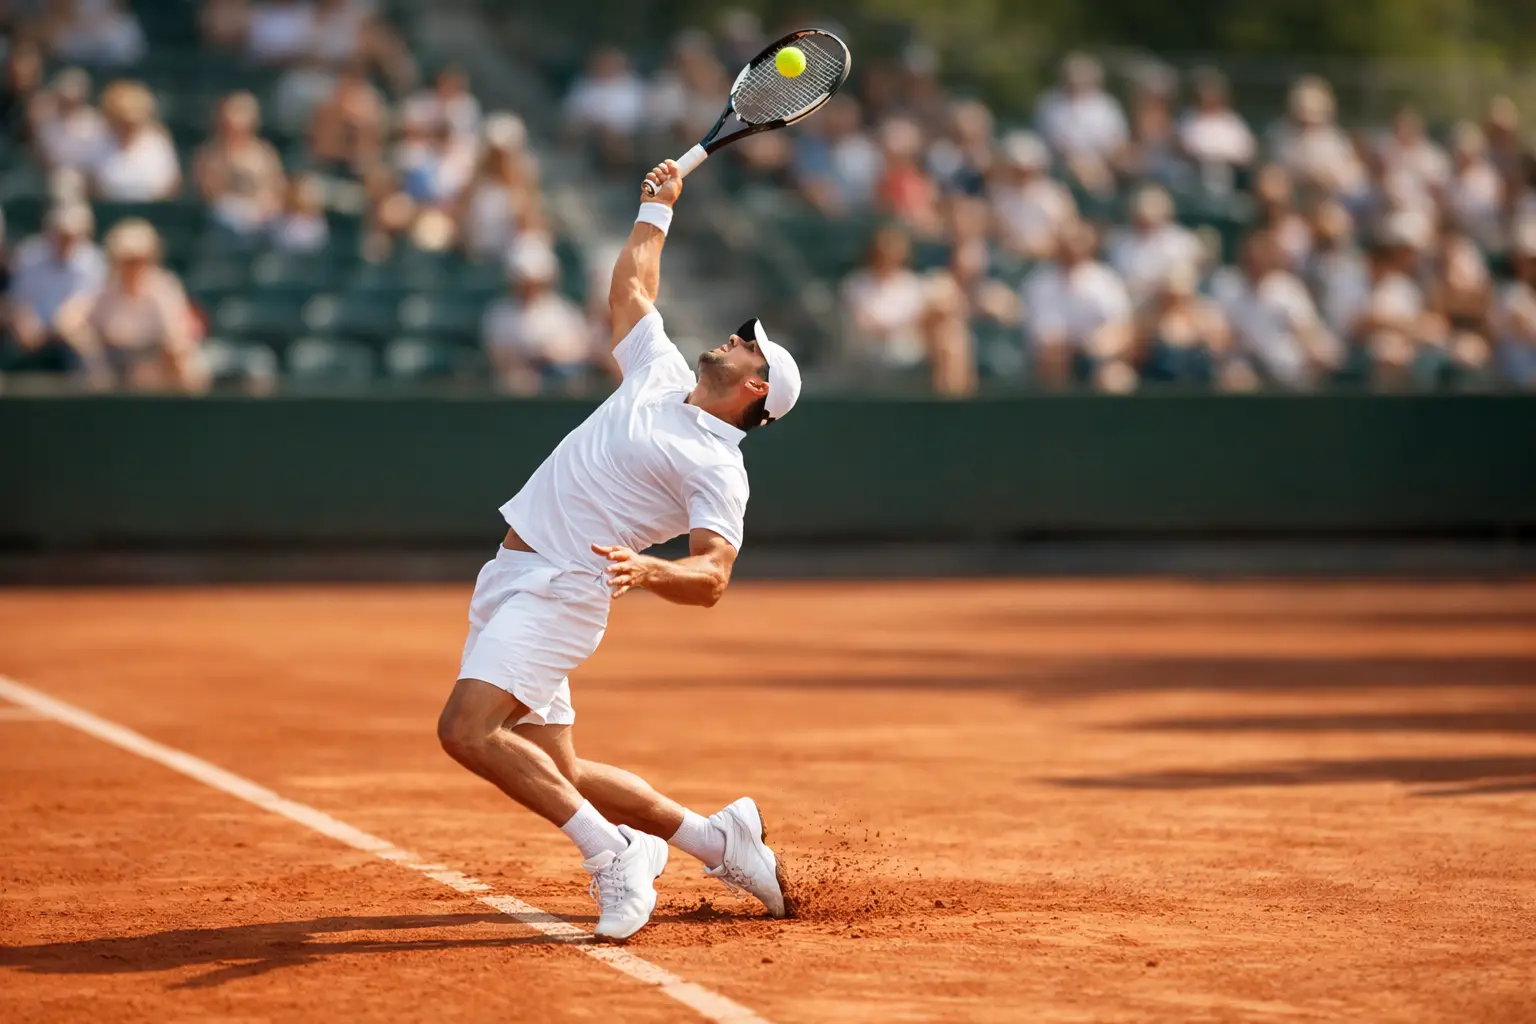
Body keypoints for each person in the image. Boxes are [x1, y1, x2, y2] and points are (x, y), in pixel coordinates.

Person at [435, 158, 800, 941]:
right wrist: (657, 210)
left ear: (757, 390)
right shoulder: (661, 372)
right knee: (559, 769)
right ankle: (716, 839)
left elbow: (713, 576)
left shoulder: (719, 468)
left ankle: (611, 853)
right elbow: (630, 290)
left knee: (467, 731)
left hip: (566, 587)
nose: (734, 338)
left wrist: (652, 569)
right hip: (513, 574)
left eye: (749, 346)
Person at [65, 218, 206, 391]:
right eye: (127, 260)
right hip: (114, 363)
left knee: (187, 363)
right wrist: (93, 352)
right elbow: (69, 321)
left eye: (139, 259)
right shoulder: (104, 288)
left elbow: (176, 336)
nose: (133, 266)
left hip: (154, 361)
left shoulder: (163, 287)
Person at [2, 202, 106, 375]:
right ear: (48, 231)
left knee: (87, 348)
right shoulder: (29, 256)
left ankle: (98, 392)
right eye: (60, 233)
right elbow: (19, 299)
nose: (65, 240)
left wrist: (65, 323)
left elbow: (86, 303)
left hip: (72, 330)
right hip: (32, 331)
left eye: (71, 235)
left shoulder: (93, 261)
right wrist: (25, 322)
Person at [481, 237, 592, 394]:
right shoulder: (498, 313)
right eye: (522, 282)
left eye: (534, 282)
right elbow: (496, 354)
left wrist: (548, 355)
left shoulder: (564, 311)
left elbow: (578, 352)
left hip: (559, 385)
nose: (528, 288)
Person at [194, 91, 286, 238]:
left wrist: (263, 207)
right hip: (226, 216)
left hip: (261, 215)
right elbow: (209, 192)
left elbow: (276, 188)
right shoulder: (210, 152)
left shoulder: (264, 153)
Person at [91, 79, 181, 201]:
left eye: (133, 121)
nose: (128, 127)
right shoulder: (98, 142)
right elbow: (93, 186)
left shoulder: (158, 141)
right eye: (121, 121)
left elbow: (171, 186)